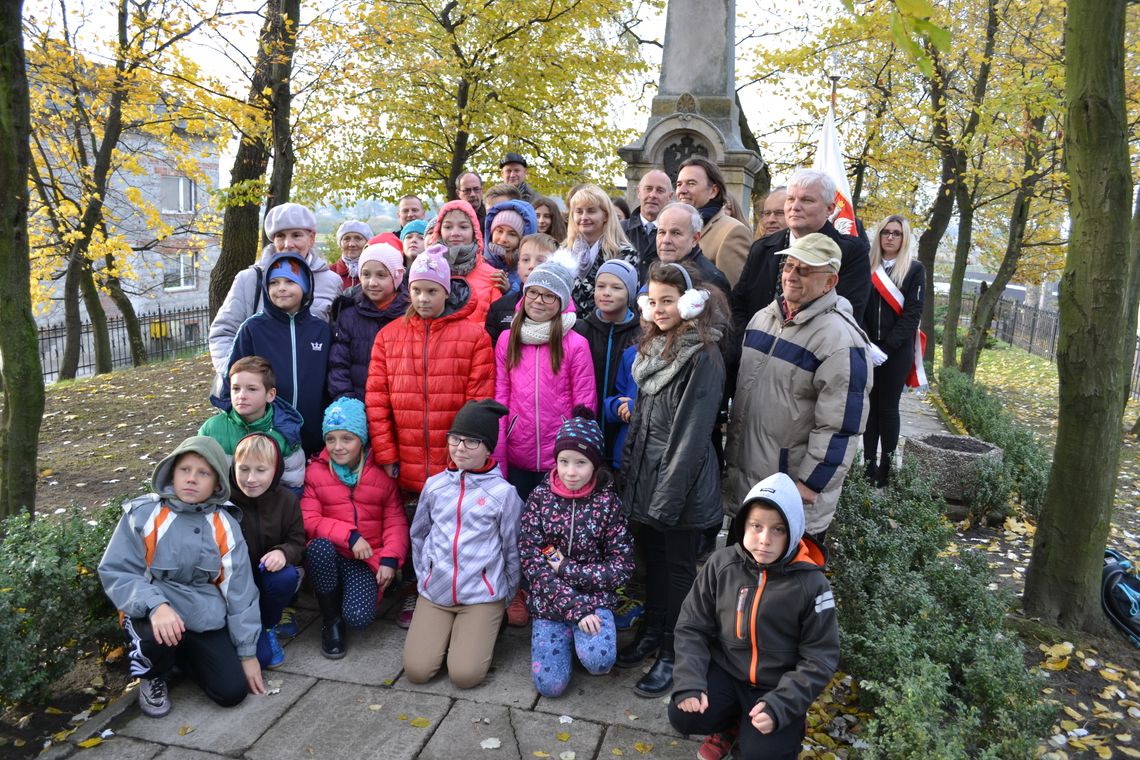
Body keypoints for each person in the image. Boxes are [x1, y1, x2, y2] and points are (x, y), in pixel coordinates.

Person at [669, 473, 838, 760]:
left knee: (764, 754)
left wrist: (782, 704)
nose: (764, 540)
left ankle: (789, 721)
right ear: (742, 525)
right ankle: (731, 724)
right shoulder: (721, 564)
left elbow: (820, 657)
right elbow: (691, 626)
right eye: (756, 526)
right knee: (683, 716)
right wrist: (690, 680)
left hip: (777, 685)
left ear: (794, 530)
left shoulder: (812, 585)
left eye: (778, 530)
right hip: (728, 672)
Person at [366, 249, 495, 627]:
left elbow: (478, 402)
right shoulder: (389, 337)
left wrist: (463, 457)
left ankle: (452, 591)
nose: (424, 299)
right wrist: (388, 452)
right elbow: (377, 398)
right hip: (404, 457)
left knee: (450, 530)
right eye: (417, 291)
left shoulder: (473, 337)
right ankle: (414, 590)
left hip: (450, 459)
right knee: (412, 530)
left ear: (446, 292)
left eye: (432, 291)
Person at [617, 262, 728, 698]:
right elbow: (643, 424)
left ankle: (672, 653)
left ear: (688, 303)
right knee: (656, 565)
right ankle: (651, 630)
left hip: (679, 489)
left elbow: (689, 437)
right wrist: (630, 479)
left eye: (669, 301)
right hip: (649, 481)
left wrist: (663, 502)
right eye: (653, 300)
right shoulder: (655, 347)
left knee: (679, 572)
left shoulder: (703, 355)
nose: (660, 309)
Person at [98, 436, 265, 718]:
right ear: (171, 473)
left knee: (232, 691)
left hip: (201, 616)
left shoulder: (225, 524)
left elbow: (240, 591)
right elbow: (118, 572)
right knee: (152, 639)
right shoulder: (144, 514)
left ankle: (181, 659)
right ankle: (153, 674)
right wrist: (156, 605)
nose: (191, 479)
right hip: (151, 611)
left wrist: (247, 654)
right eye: (185, 470)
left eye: (203, 473)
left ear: (216, 484)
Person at [725, 234, 872, 544]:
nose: (791, 275)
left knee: (784, 590)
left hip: (791, 494)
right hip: (749, 487)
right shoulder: (762, 319)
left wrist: (810, 484)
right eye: (789, 266)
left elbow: (841, 426)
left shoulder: (841, 342)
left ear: (829, 281)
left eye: (804, 270)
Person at [404, 400, 523, 689]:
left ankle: (487, 627)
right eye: (454, 439)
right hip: (437, 592)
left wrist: (504, 593)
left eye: (471, 441)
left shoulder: (504, 495)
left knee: (465, 676)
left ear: (488, 447)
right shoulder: (435, 486)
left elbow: (513, 549)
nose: (459, 447)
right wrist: (426, 575)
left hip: (481, 596)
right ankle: (450, 634)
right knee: (417, 671)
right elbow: (419, 534)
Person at [519, 410, 634, 698]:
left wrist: (568, 569)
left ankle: (580, 640)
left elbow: (622, 565)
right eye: (564, 461)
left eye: (581, 463)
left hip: (594, 598)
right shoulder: (539, 498)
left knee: (599, 662)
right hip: (550, 599)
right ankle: (567, 632)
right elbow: (533, 563)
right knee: (550, 686)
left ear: (594, 464)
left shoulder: (608, 502)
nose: (571, 472)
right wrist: (573, 606)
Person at [301, 398, 408, 659]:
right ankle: (330, 621)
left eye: (347, 438)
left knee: (358, 618)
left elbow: (395, 522)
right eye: (331, 439)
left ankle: (342, 600)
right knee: (319, 549)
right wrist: (349, 535)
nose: (338, 447)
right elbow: (309, 519)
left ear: (362, 439)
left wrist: (391, 558)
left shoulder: (381, 475)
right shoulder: (316, 473)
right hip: (333, 553)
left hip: (364, 559)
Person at [493, 252, 596, 501]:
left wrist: (577, 454)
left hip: (560, 455)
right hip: (518, 450)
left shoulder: (576, 343)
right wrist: (499, 452)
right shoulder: (508, 339)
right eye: (533, 292)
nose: (539, 301)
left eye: (549, 295)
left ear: (561, 301)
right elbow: (501, 395)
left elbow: (584, 403)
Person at [208, 202, 341, 391]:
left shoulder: (331, 281)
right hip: (259, 401)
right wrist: (236, 378)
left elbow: (336, 341)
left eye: (296, 235)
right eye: (280, 236)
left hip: (311, 394)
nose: (288, 244)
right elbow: (223, 332)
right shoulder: (250, 279)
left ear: (312, 238)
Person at [731, 169, 871, 337]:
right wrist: (747, 344)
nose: (794, 207)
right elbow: (739, 303)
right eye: (790, 199)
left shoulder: (850, 252)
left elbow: (847, 313)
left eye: (806, 200)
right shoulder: (762, 248)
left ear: (830, 209)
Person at [222, 252, 330, 456]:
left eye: (290, 281)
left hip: (315, 436)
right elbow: (232, 378)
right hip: (267, 435)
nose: (281, 288)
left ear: (305, 286)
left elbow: (330, 380)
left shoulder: (321, 330)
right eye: (273, 282)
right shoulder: (253, 328)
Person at [229, 433, 306, 670]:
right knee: (251, 660)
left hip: (265, 579)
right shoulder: (225, 500)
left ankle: (268, 624)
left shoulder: (286, 501)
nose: (251, 479)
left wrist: (283, 552)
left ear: (275, 470)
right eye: (244, 469)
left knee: (286, 576)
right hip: (232, 587)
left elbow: (297, 541)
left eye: (261, 470)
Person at [863, 215, 925, 487]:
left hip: (896, 352)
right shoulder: (867, 266)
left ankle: (886, 469)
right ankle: (867, 465)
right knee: (869, 410)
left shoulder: (914, 270)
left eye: (896, 233)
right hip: (868, 347)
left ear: (904, 238)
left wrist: (886, 348)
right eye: (885, 232)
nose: (890, 237)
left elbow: (912, 314)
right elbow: (858, 306)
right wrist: (867, 342)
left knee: (887, 409)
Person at [200, 356, 306, 492]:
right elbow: (199, 473)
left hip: (267, 508)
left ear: (270, 395)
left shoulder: (286, 433)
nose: (241, 395)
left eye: (252, 389)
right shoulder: (211, 428)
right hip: (223, 506)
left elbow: (292, 483)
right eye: (236, 388)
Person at [572, 259, 642, 460]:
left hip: (621, 426)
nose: (606, 292)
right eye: (601, 286)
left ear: (629, 293)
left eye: (616, 287)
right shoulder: (582, 329)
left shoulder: (640, 334)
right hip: (586, 425)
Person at [327, 242, 408, 402]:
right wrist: (348, 402)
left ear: (397, 277)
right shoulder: (349, 315)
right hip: (357, 403)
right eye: (366, 274)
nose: (372, 282)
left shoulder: (409, 314)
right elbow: (338, 365)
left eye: (381, 275)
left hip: (399, 406)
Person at [427, 199, 507, 326]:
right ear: (439, 231)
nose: (455, 233)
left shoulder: (492, 275)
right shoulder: (427, 269)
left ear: (474, 232)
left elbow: (496, 325)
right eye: (448, 227)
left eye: (463, 227)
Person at [674, 157, 752, 287]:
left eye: (691, 183)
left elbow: (730, 295)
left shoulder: (733, 231)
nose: (682, 190)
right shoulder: (673, 227)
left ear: (713, 191)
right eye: (679, 184)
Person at [564, 184, 638, 315]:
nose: (584, 217)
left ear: (605, 216)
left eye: (591, 211)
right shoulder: (563, 253)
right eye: (579, 211)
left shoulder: (624, 254)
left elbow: (629, 301)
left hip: (606, 329)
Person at [485, 232, 558, 345]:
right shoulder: (499, 307)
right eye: (525, 260)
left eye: (541, 261)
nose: (531, 266)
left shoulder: (562, 307)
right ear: (518, 265)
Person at [654, 202, 731, 298]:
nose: (666, 240)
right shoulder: (657, 268)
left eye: (676, 233)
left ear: (695, 239)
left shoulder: (711, 281)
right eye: (661, 232)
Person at [623, 169, 674, 280]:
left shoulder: (677, 235)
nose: (653, 195)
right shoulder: (619, 230)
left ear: (670, 197)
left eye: (660, 190)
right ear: (638, 192)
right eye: (648, 189)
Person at [484, 199, 539, 292]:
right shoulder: (477, 259)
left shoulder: (532, 268)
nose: (503, 239)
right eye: (499, 231)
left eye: (512, 234)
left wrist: (509, 289)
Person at [330, 220, 374, 290]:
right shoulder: (330, 273)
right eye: (346, 239)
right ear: (340, 244)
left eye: (358, 239)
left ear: (367, 243)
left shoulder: (376, 273)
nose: (352, 244)